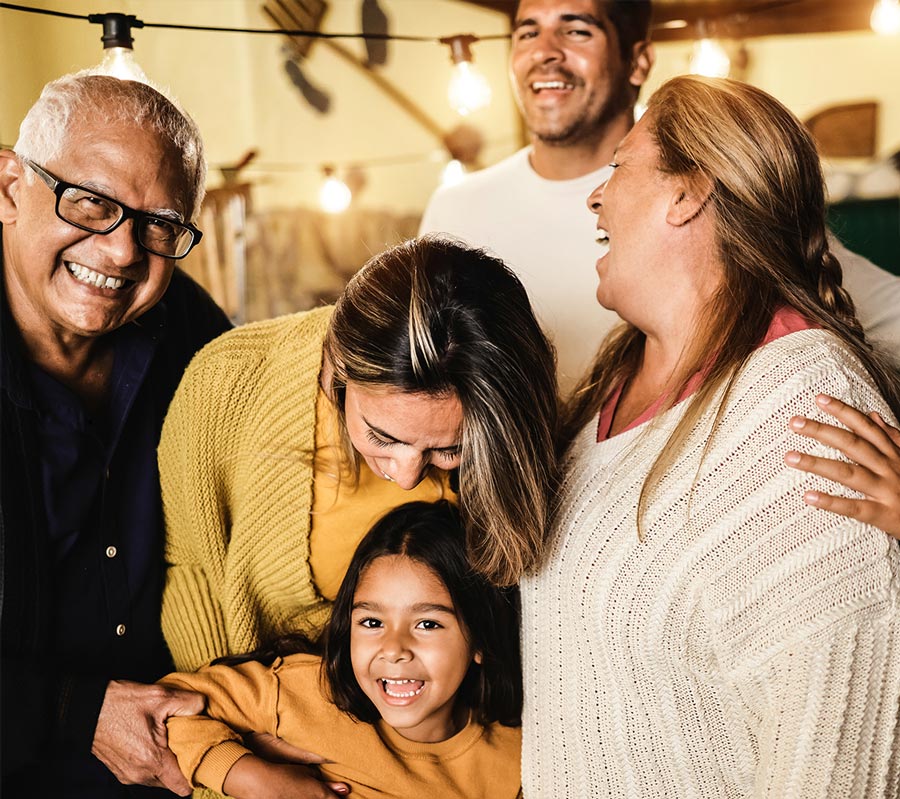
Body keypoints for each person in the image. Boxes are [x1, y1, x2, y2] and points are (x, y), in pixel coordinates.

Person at [520, 76, 900, 796]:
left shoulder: (801, 405)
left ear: (689, 192)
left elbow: (832, 751)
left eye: (619, 166)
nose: (596, 197)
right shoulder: (608, 386)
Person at [420, 0, 900, 392]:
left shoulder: (721, 198)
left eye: (576, 31)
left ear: (638, 61)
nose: (545, 51)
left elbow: (887, 312)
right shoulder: (456, 207)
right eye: (527, 32)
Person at [158, 235, 558, 674]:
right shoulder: (226, 381)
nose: (407, 476)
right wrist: (219, 714)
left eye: (449, 449)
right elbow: (191, 569)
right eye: (382, 437)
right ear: (340, 371)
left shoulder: (508, 436)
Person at [0, 74, 232, 797]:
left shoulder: (193, 332)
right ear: (9, 188)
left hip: (183, 765)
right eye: (93, 202)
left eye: (160, 223)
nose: (125, 250)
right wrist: (75, 710)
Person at [158, 501, 522, 798]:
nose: (393, 650)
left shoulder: (513, 765)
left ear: (480, 641)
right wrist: (255, 781)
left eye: (428, 624)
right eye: (372, 623)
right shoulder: (302, 693)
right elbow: (166, 710)